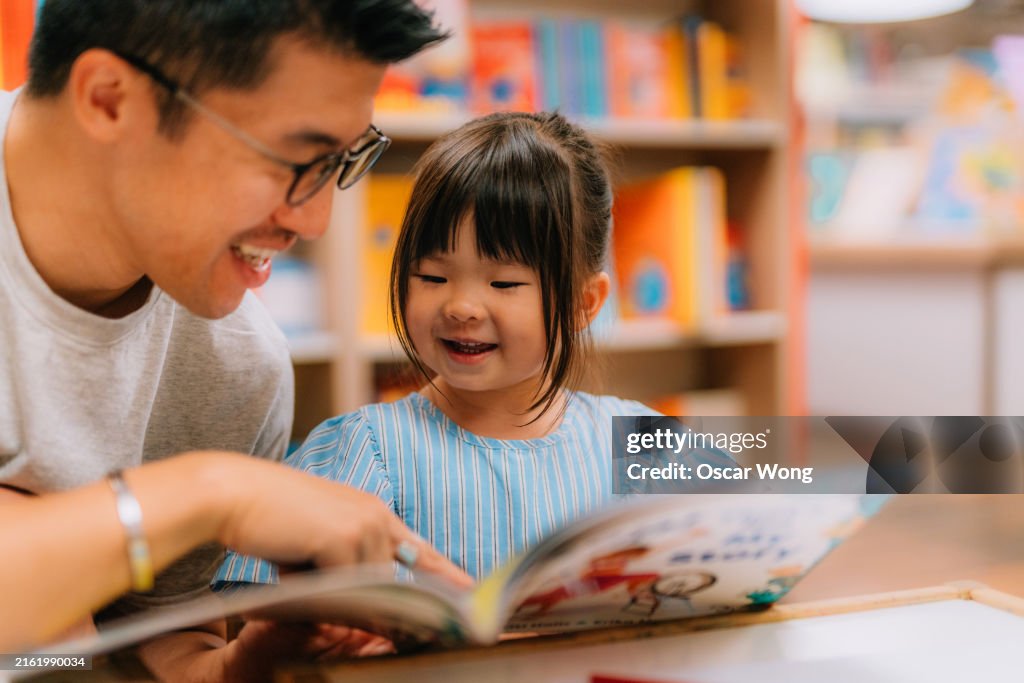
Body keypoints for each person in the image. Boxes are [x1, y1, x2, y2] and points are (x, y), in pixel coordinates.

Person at [0, 0, 467, 678]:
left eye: (344, 160)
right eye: (294, 158)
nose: (313, 220)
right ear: (108, 100)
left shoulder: (238, 365)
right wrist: (212, 495)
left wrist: (228, 666)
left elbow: (139, 637)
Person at [217, 112, 733, 585]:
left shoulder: (648, 445)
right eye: (433, 275)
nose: (461, 306)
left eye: (504, 283)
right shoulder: (363, 452)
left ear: (584, 302)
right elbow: (252, 615)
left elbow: (742, 564)